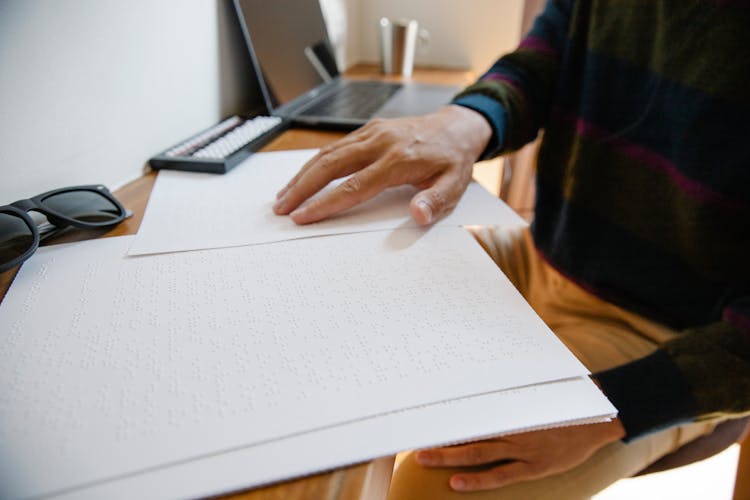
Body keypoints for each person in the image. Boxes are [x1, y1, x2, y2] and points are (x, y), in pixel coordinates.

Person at [274, 1, 750, 498]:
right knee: (326, 278)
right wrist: (466, 120)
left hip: (670, 332)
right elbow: (542, 60)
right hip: (539, 256)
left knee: (434, 486)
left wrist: (620, 407)